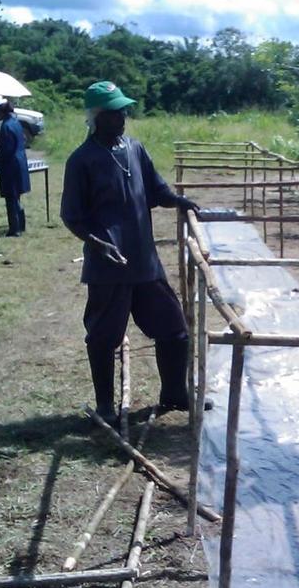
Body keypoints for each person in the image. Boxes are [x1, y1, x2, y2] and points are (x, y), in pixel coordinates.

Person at [60, 81, 202, 425]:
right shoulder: (82, 161)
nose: (122, 117)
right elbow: (72, 216)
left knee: (174, 328)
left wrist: (179, 201)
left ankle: (174, 394)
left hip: (144, 262)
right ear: (96, 117)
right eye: (114, 112)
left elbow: (156, 190)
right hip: (108, 267)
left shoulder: (134, 149)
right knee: (103, 337)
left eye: (124, 110)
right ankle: (106, 406)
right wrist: (98, 244)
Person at [0, 96, 30, 237]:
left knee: (11, 199)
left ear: (0, 111)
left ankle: (15, 229)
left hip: (11, 166)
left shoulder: (6, 127)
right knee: (16, 197)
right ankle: (21, 225)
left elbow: (5, 151)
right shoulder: (15, 122)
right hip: (19, 162)